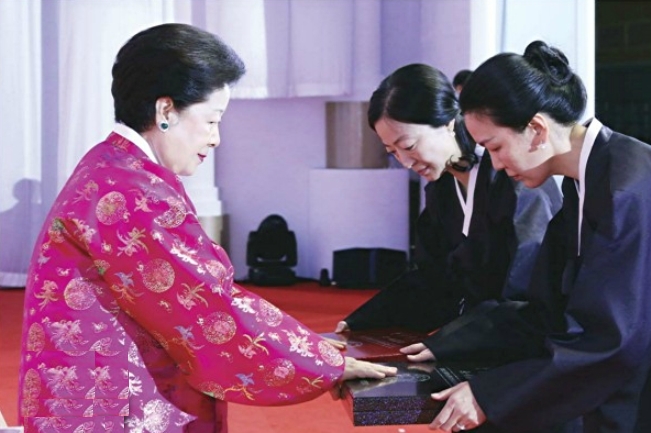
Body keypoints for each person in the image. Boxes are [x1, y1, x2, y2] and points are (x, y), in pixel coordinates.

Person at [17, 23, 396, 433]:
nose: (216, 139)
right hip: (111, 404)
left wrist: (307, 346)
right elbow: (204, 307)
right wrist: (319, 361)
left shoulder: (112, 166)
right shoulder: (132, 190)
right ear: (166, 111)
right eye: (212, 120)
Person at [429, 40, 651, 433]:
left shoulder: (624, 189)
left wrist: (492, 395)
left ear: (536, 129)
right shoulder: (588, 178)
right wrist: (446, 345)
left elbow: (613, 340)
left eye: (495, 147)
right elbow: (545, 309)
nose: (496, 164)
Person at [335, 64, 564, 369]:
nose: (405, 162)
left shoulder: (517, 181)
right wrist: (362, 323)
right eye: (393, 152)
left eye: (409, 146)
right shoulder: (442, 189)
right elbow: (433, 278)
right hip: (480, 337)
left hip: (533, 348)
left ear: (448, 123)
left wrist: (448, 342)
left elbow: (525, 296)